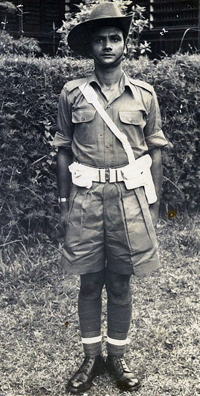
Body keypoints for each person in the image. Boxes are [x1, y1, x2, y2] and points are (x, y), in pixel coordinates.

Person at [53, 2, 168, 394]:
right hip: (86, 200)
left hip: (129, 200)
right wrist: (64, 203)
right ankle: (90, 357)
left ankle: (117, 358)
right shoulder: (72, 94)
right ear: (91, 47)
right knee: (89, 282)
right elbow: (64, 149)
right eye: (100, 39)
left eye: (114, 39)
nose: (107, 46)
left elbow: (155, 149)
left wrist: (152, 204)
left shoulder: (145, 96)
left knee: (120, 282)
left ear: (125, 45)